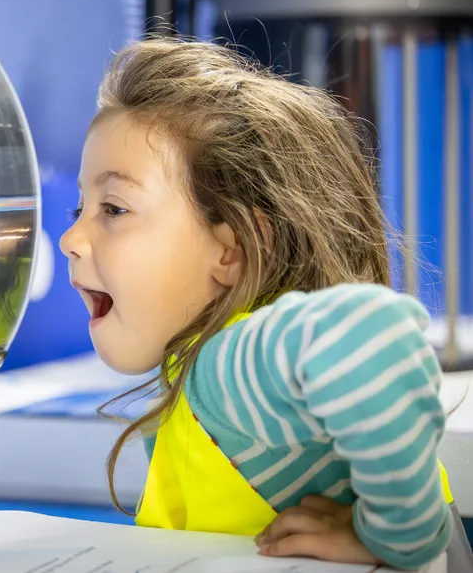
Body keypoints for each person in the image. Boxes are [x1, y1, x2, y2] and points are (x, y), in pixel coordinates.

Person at [59, 36, 473, 572]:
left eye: (113, 208)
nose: (71, 236)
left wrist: (398, 536)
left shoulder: (227, 368)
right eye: (80, 206)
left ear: (230, 250)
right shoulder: (198, 369)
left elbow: (378, 338)